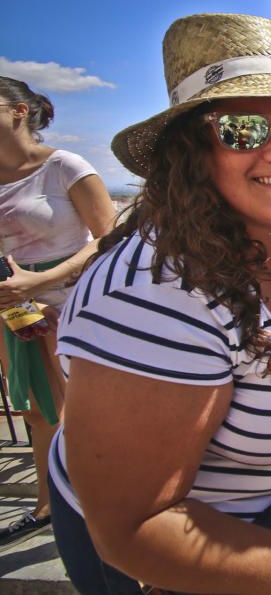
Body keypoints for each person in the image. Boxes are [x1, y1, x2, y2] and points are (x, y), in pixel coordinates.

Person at [48, 13, 271, 594]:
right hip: (192, 558)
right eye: (243, 130)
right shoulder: (150, 297)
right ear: (191, 151)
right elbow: (132, 526)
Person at [0, 76, 116, 547]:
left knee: (85, 413)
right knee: (37, 411)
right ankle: (48, 507)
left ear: (19, 112)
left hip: (74, 305)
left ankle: (102, 512)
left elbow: (110, 238)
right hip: (15, 309)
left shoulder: (64, 165)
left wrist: (44, 281)